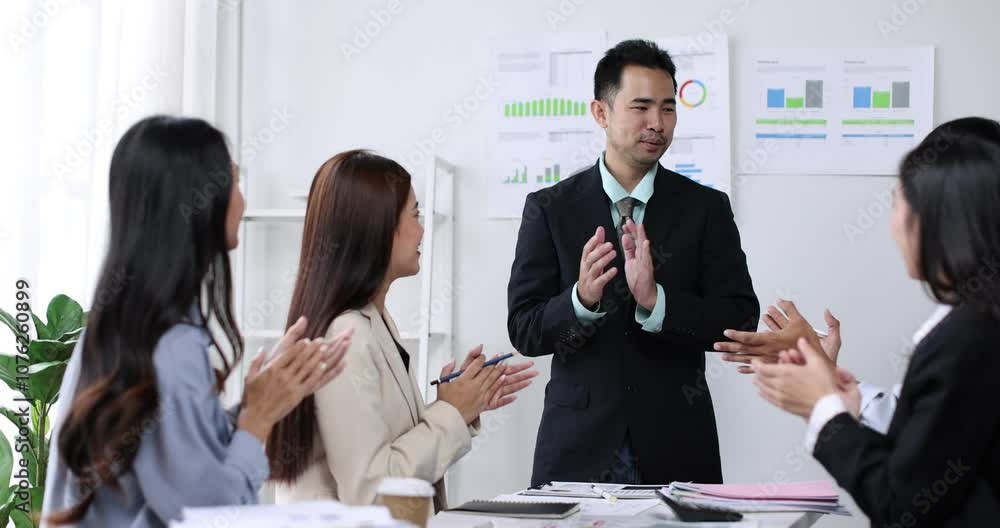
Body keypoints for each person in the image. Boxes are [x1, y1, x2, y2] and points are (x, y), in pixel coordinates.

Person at [42, 116, 351, 527]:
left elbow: (181, 456)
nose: (241, 200)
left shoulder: (123, 328)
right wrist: (258, 418)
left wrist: (257, 403)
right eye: (235, 182)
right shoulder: (170, 344)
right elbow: (208, 514)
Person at [507, 39, 758, 486]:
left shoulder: (705, 209)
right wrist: (580, 300)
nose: (657, 123)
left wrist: (657, 302)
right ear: (601, 113)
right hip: (578, 450)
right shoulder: (549, 209)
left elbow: (739, 319)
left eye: (668, 109)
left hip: (678, 446)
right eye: (641, 107)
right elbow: (524, 329)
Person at [738, 117, 1000, 526]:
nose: (893, 224)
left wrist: (823, 408)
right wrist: (831, 383)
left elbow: (902, 504)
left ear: (941, 218)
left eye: (898, 203)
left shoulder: (969, 338)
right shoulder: (973, 323)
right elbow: (936, 440)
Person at [270, 150, 538, 512]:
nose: (422, 229)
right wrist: (451, 412)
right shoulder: (345, 336)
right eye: (414, 213)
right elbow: (373, 492)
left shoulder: (371, 320)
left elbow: (386, 448)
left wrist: (460, 404)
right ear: (377, 227)